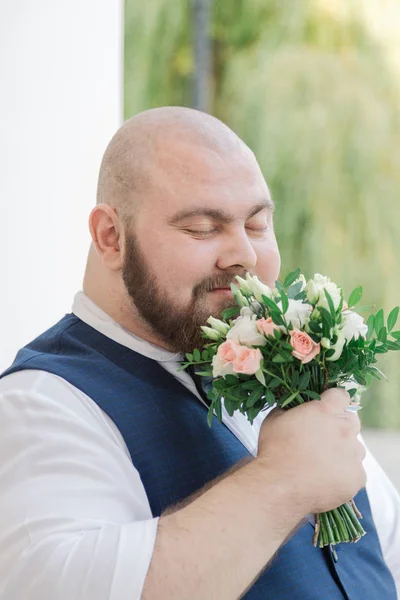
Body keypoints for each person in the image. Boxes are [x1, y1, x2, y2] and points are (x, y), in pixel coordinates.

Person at [0, 107, 399, 600]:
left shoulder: (288, 372)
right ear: (111, 237)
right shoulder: (39, 405)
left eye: (256, 225)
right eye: (203, 228)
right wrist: (282, 480)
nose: (244, 256)